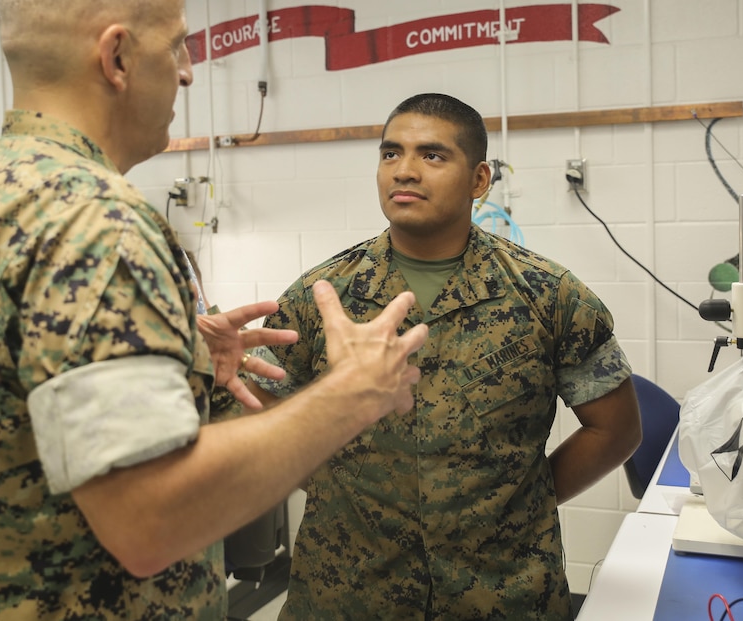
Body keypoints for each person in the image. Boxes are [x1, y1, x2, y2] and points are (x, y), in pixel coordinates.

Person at [0, 0, 428, 620]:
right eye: (177, 44)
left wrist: (173, 360)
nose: (186, 70)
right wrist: (353, 395)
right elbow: (151, 521)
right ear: (117, 56)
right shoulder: (96, 219)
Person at [242, 93, 643, 619]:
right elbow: (260, 398)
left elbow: (615, 430)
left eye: (432, 156)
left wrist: (518, 505)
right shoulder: (322, 296)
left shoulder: (548, 295)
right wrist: (326, 484)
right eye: (390, 154)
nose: (404, 171)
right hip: (347, 591)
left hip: (502, 593)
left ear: (479, 181)